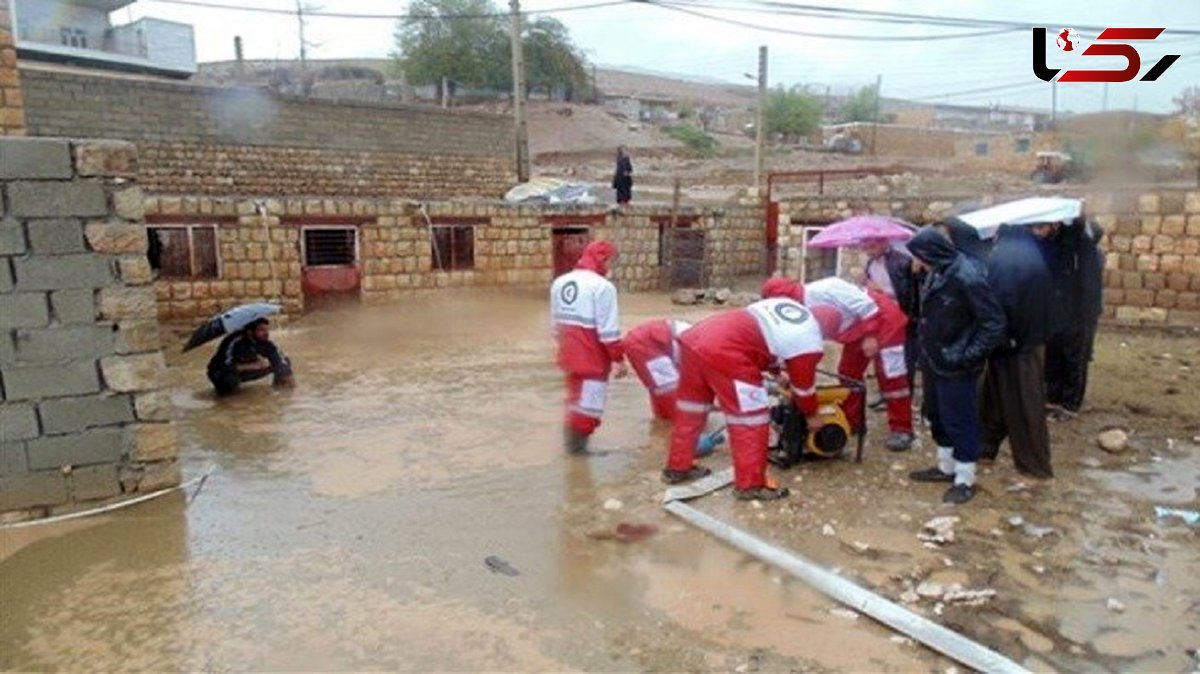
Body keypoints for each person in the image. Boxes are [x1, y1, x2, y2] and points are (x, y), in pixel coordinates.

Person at [662, 293, 824, 501]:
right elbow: (804, 388)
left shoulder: (786, 308)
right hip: (727, 352)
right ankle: (750, 485)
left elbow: (761, 339)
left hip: (695, 340)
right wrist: (812, 414)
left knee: (691, 411)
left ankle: (677, 468)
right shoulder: (809, 338)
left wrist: (777, 373)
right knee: (751, 419)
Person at [906, 227, 1006, 505]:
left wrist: (968, 355)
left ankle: (965, 477)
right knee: (937, 414)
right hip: (934, 356)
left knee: (960, 418)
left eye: (918, 256)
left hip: (956, 360)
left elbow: (993, 323)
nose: (917, 262)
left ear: (930, 253)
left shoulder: (967, 276)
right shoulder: (937, 272)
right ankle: (945, 465)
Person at [777, 277, 915, 451]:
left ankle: (902, 429)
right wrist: (790, 370)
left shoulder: (828, 288)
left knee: (891, 378)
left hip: (885, 321)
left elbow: (868, 307)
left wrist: (871, 336)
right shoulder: (797, 309)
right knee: (848, 373)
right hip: (857, 328)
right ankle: (852, 421)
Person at [978, 222, 1057, 479]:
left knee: (1023, 404)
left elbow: (1004, 302)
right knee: (995, 399)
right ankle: (984, 448)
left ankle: (1034, 465)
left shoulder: (1005, 257)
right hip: (1022, 340)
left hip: (1015, 344)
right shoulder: (1028, 251)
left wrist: (1004, 339)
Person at [550, 240, 628, 455]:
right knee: (589, 408)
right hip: (592, 358)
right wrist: (618, 359)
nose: (612, 266)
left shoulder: (560, 282)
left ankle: (571, 451)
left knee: (574, 401)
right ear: (603, 259)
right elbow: (608, 331)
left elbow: (555, 324)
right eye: (611, 261)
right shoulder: (603, 287)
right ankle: (578, 454)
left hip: (568, 355)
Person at [1045, 219, 1105, 418]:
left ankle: (1070, 404)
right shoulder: (1063, 249)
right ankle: (1053, 397)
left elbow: (1089, 288)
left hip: (1078, 316)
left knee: (1074, 359)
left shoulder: (1085, 251)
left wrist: (1086, 316)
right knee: (1055, 356)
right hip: (1061, 313)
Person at [861, 237, 921, 384]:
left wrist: (881, 292)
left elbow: (910, 295)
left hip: (902, 319)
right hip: (881, 317)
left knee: (902, 360)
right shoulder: (870, 264)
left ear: (884, 243)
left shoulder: (903, 262)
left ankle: (905, 397)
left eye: (872, 246)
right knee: (883, 358)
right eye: (865, 247)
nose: (868, 251)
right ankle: (887, 393)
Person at [623, 319, 691, 421]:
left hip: (644, 340)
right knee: (668, 387)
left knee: (659, 387)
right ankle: (679, 423)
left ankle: (662, 420)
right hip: (646, 342)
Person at [206, 319, 294, 396]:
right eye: (261, 330)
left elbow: (281, 361)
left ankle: (278, 389)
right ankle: (228, 402)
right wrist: (253, 366)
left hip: (244, 371)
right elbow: (224, 366)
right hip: (220, 372)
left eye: (267, 329)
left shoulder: (266, 342)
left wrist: (292, 393)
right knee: (229, 380)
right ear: (250, 332)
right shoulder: (233, 341)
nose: (266, 333)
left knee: (284, 363)